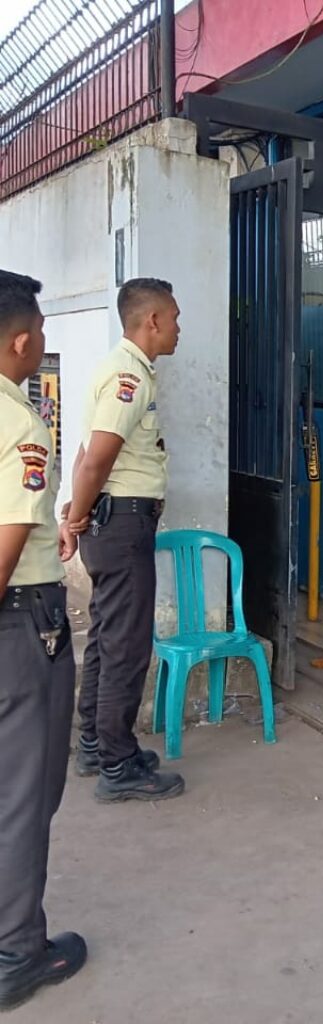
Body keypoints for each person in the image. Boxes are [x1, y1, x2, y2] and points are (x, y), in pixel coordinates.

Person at [0, 270, 87, 1010]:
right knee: (27, 791)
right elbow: (8, 541)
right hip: (21, 620)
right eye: (41, 332)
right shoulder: (20, 425)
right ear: (22, 342)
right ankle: (16, 953)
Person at [65, 278, 185, 802]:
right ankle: (118, 765)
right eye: (174, 318)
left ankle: (95, 743)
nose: (179, 328)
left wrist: (76, 512)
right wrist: (76, 517)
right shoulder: (128, 377)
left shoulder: (119, 368)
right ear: (152, 320)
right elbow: (97, 458)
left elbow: (84, 452)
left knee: (108, 635)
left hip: (111, 520)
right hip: (122, 523)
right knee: (127, 646)